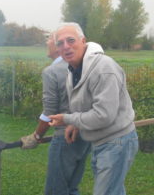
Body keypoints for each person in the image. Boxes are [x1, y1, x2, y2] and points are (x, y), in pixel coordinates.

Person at [49, 22, 139, 195]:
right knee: (113, 190)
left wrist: (68, 119)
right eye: (60, 43)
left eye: (71, 40)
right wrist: (76, 124)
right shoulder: (74, 70)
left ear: (83, 41)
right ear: (57, 50)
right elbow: (86, 104)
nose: (66, 46)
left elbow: (104, 115)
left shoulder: (103, 68)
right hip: (101, 142)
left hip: (117, 141)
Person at [21, 32, 91, 195]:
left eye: (51, 39)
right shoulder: (84, 65)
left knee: (56, 190)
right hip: (85, 134)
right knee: (71, 187)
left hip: (65, 137)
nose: (47, 42)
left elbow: (50, 111)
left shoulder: (51, 71)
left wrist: (36, 136)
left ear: (58, 47)